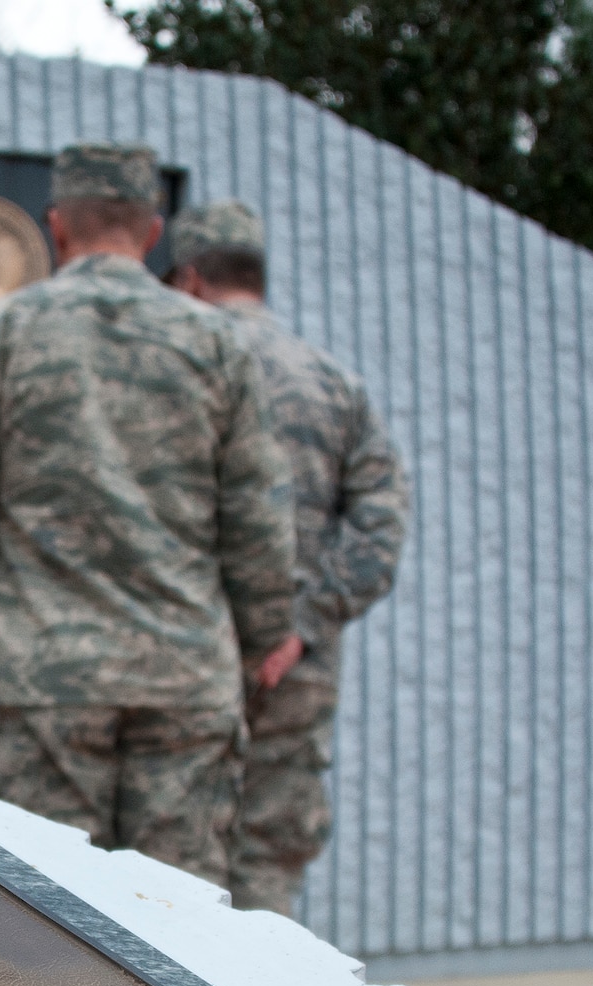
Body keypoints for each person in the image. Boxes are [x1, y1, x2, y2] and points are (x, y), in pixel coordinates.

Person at [0, 143, 297, 887]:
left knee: (44, 918)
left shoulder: (1, 332)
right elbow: (257, 512)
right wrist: (259, 642)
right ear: (153, 232)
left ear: (56, 226)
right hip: (186, 677)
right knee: (178, 917)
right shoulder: (216, 340)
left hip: (45, 677)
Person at [165, 199, 410, 915]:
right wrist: (299, 626)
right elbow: (381, 528)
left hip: (183, 658)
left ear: (189, 278)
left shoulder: (174, 373)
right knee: (267, 859)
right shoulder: (332, 382)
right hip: (294, 672)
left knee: (167, 866)